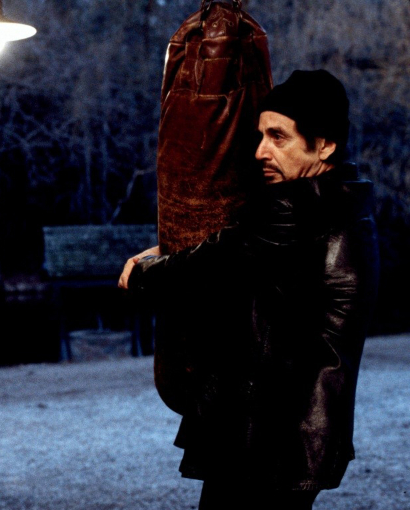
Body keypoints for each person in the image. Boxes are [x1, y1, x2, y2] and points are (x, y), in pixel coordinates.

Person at [118, 70, 379, 509]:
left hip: (274, 437)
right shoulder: (337, 202)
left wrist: (143, 272)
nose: (261, 151)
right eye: (261, 136)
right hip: (282, 431)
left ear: (325, 145)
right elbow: (239, 250)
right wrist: (171, 248)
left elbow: (212, 264)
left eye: (279, 137)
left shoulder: (299, 209)